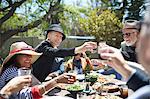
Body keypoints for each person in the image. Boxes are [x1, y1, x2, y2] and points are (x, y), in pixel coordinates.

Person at [98, 10, 150, 98]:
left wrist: (124, 64)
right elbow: (119, 61)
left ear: (138, 34)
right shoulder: (124, 46)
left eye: (128, 34)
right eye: (123, 34)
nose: (125, 37)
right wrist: (106, 63)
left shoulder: (146, 50)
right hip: (129, 86)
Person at [0, 42, 76, 99]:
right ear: (15, 57)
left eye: (30, 56)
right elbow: (22, 96)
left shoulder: (22, 69)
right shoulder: (13, 71)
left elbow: (33, 85)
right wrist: (56, 81)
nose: (28, 58)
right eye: (25, 55)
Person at [32, 24, 97, 82]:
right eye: (56, 35)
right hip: (33, 80)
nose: (59, 39)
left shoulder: (52, 47)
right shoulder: (44, 46)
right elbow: (57, 52)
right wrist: (79, 49)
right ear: (48, 35)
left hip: (42, 80)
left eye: (61, 37)